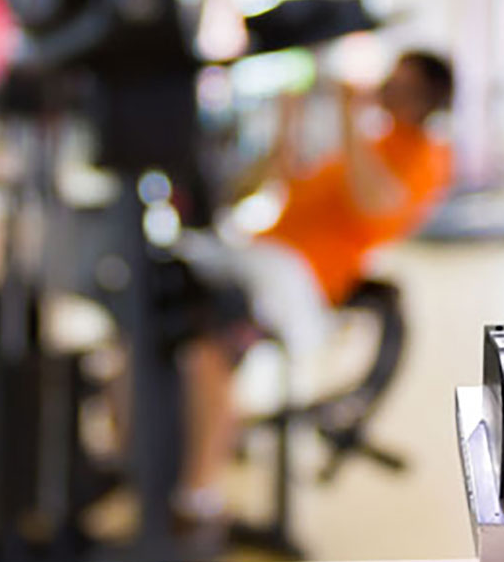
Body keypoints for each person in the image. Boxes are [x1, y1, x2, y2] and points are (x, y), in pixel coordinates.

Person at [177, 49, 455, 528]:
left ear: (426, 99)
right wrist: (290, 120)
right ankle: (168, 474)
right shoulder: (371, 139)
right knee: (166, 334)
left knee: (207, 357)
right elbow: (290, 183)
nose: (386, 90)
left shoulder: (426, 157)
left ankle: (196, 497)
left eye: (400, 85)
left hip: (301, 279)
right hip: (260, 256)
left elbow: (375, 205)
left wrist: (350, 114)